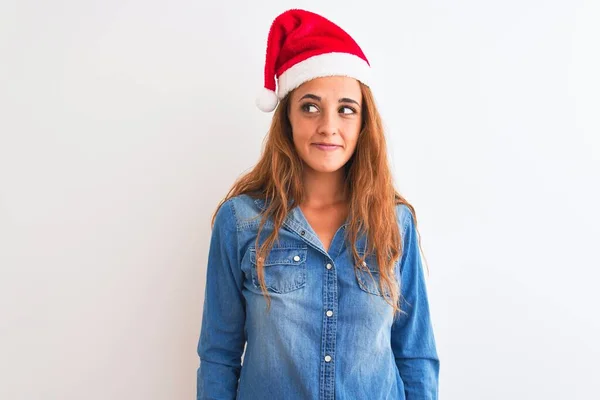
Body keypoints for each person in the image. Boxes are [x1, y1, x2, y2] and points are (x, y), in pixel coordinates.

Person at [196, 8, 439, 400]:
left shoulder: (395, 222)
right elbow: (219, 356)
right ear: (288, 118)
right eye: (310, 106)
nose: (329, 125)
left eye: (346, 109)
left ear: (363, 124)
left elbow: (415, 355)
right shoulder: (240, 222)